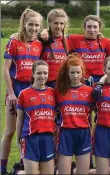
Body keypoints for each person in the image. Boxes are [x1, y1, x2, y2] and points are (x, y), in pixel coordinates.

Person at [1, 8, 43, 175]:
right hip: (15, 91)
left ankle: (21, 164)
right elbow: (5, 69)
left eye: (37, 25)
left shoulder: (40, 43)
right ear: (24, 24)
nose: (33, 28)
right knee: (10, 130)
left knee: (27, 130)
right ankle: (2, 168)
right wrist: (10, 93)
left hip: (32, 93)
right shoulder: (14, 41)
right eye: (30, 24)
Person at [54, 55, 93, 174]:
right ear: (67, 73)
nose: (75, 76)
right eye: (72, 72)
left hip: (83, 134)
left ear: (82, 72)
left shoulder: (89, 91)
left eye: (78, 72)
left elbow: (92, 113)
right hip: (65, 134)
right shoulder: (59, 91)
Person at [15, 60, 55, 174]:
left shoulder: (53, 93)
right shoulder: (24, 94)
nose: (42, 76)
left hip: (48, 139)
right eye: (39, 73)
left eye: (45, 73)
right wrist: (18, 139)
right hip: (30, 139)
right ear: (33, 74)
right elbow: (20, 119)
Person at [67, 15, 110, 85]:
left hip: (100, 81)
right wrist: (45, 31)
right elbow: (58, 36)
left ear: (99, 28)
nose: (92, 30)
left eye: (95, 27)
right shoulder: (74, 39)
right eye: (89, 26)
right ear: (84, 27)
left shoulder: (106, 42)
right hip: (80, 80)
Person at [40, 8, 71, 88]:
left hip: (63, 83)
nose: (59, 26)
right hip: (44, 83)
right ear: (49, 23)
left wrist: (98, 35)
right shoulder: (42, 39)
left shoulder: (68, 40)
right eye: (56, 23)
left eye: (61, 23)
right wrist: (15, 35)